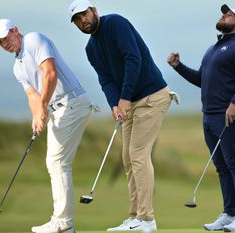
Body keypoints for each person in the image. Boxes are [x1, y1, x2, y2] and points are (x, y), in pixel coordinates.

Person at [68, 0, 173, 231]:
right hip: (129, 102)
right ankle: (135, 216)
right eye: (77, 20)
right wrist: (115, 103)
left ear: (94, 10)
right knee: (128, 157)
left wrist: (124, 97)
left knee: (137, 154)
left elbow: (132, 58)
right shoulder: (90, 49)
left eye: (84, 14)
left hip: (151, 97)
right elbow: (105, 78)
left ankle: (147, 219)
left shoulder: (115, 23)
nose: (82, 21)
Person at [0, 19, 94, 233]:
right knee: (55, 163)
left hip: (71, 102)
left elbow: (50, 73)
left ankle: (63, 223)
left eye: (6, 37)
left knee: (57, 163)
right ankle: (63, 223)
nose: (4, 43)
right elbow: (32, 95)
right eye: (0, 42)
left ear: (16, 30)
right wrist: (36, 115)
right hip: (60, 109)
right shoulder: (17, 67)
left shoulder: (33, 40)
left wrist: (44, 107)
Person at [167, 4, 235, 232]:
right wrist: (178, 66)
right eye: (223, 13)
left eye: (229, 14)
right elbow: (201, 80)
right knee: (222, 167)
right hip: (209, 116)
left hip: (228, 115)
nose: (223, 15)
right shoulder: (213, 49)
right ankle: (229, 213)